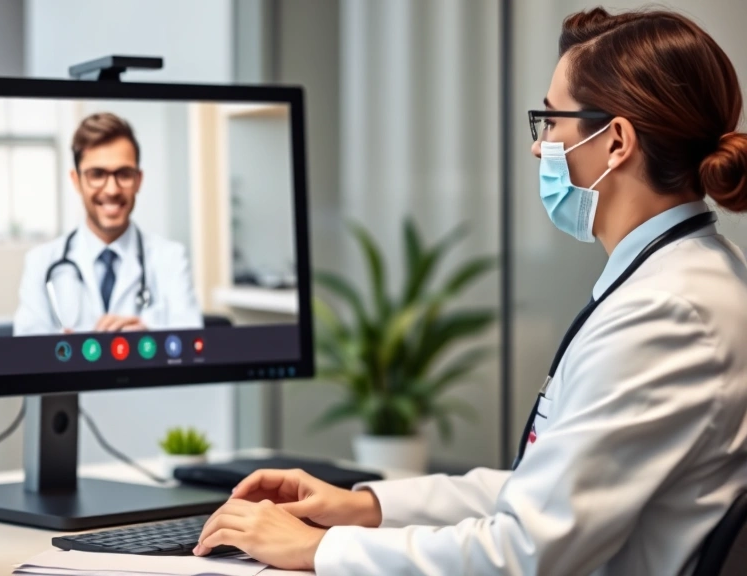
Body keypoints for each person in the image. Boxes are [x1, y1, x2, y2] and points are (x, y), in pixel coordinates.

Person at [195, 8, 747, 574]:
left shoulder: (665, 313)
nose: (540, 147)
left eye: (552, 121)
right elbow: (542, 488)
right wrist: (362, 506)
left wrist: (316, 548)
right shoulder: (688, 276)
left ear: (616, 143)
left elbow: (524, 551)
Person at [14, 112, 202, 335]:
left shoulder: (170, 258)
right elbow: (27, 353)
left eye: (124, 174)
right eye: (97, 174)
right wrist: (63, 351)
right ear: (76, 181)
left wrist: (147, 339)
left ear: (138, 180)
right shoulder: (41, 262)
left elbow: (193, 344)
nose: (112, 190)